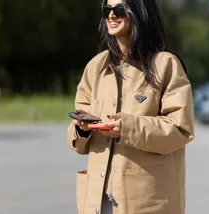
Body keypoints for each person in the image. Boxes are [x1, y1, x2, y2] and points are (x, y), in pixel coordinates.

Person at [66, 0, 195, 213]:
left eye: (118, 9)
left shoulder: (166, 65)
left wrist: (128, 127)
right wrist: (82, 129)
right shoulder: (95, 67)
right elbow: (76, 140)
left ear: (140, 12)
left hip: (147, 201)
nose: (111, 16)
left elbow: (180, 130)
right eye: (107, 10)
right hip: (98, 202)